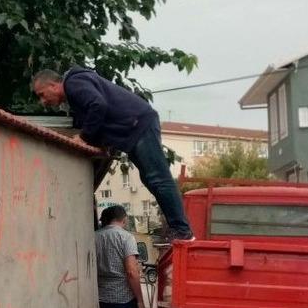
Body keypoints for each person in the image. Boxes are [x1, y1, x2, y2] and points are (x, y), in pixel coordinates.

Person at [32, 68, 194, 241]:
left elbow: (98, 105)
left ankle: (182, 230)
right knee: (150, 180)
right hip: (134, 129)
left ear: (53, 85)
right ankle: (178, 228)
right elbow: (104, 114)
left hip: (139, 124)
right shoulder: (76, 94)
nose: (43, 101)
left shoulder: (73, 84)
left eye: (42, 94)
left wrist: (84, 137)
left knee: (158, 178)